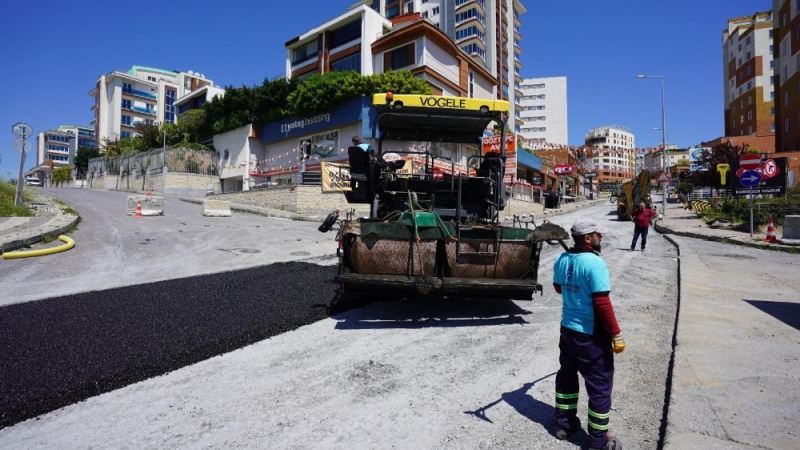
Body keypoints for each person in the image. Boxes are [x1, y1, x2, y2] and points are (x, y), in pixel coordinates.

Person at [552, 218, 625, 450]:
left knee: (567, 375)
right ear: (587, 238)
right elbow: (602, 302)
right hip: (591, 335)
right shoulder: (595, 263)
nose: (600, 237)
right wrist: (616, 333)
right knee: (600, 385)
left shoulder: (562, 259)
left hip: (568, 331)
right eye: (597, 234)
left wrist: (573, 279)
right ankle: (598, 440)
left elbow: (557, 287)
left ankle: (565, 424)